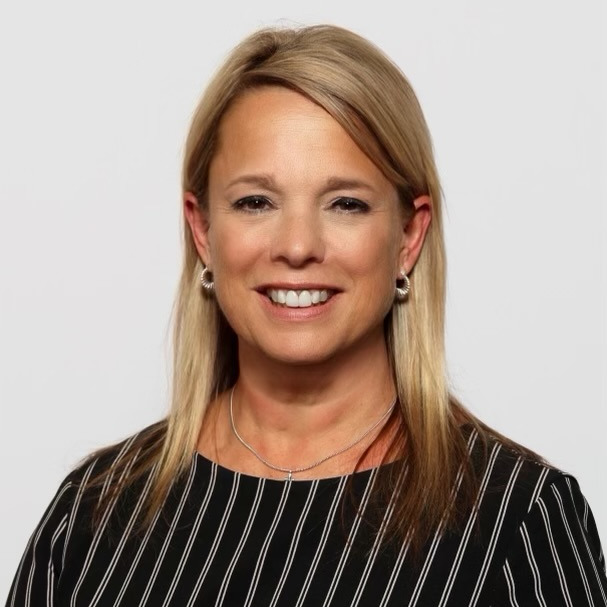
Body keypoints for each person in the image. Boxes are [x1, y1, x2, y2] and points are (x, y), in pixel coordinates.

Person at [6, 24, 606, 607]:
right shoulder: (94, 515)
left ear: (408, 236)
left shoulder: (517, 520)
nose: (297, 246)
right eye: (255, 202)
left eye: (345, 203)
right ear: (203, 231)